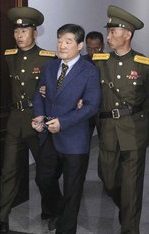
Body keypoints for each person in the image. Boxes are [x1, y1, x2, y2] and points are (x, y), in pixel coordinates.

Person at [32, 23, 101, 234]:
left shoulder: (89, 71)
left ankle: (66, 229)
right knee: (43, 178)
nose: (62, 45)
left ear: (80, 45)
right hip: (49, 136)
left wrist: (64, 122)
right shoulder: (51, 66)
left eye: (68, 42)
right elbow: (39, 93)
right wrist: (38, 114)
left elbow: (91, 105)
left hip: (74, 138)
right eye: (60, 40)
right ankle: (56, 210)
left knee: (73, 189)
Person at [93, 5, 149, 234]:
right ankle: (126, 209)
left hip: (134, 132)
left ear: (127, 34)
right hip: (107, 130)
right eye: (108, 32)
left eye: (113, 32)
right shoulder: (99, 62)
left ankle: (130, 228)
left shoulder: (143, 64)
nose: (108, 37)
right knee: (108, 179)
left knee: (132, 187)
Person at [0, 7, 56, 233]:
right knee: (9, 171)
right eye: (16, 30)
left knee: (45, 173)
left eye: (24, 30)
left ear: (35, 32)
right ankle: (3, 217)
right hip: (15, 121)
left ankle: (52, 209)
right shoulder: (8, 55)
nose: (19, 35)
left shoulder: (48, 59)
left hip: (38, 122)